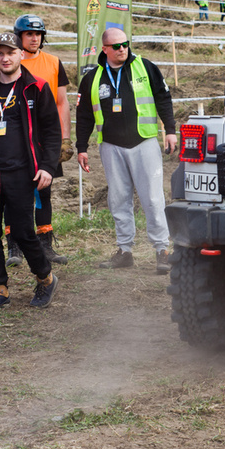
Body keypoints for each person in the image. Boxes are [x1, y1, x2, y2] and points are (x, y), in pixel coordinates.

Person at [0, 32, 61, 310]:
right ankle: (0, 288)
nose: (5, 58)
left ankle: (45, 278)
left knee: (22, 231)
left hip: (21, 173)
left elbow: (53, 132)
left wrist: (47, 167)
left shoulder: (36, 87)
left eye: (10, 53)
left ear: (21, 54)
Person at [75, 28, 177, 273]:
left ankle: (162, 250)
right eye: (116, 46)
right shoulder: (92, 77)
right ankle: (125, 250)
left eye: (125, 44)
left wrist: (171, 130)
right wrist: (81, 147)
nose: (122, 49)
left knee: (153, 198)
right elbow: (84, 115)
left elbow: (164, 98)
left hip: (144, 142)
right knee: (118, 199)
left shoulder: (145, 66)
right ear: (105, 49)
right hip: (110, 145)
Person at [1, 14, 74, 267]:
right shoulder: (9, 62)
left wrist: (65, 138)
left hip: (45, 139)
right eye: (29, 34)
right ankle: (14, 246)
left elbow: (61, 102)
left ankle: (45, 244)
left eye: (38, 34)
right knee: (12, 192)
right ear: (19, 36)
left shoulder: (54, 62)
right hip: (14, 138)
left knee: (44, 191)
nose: (34, 38)